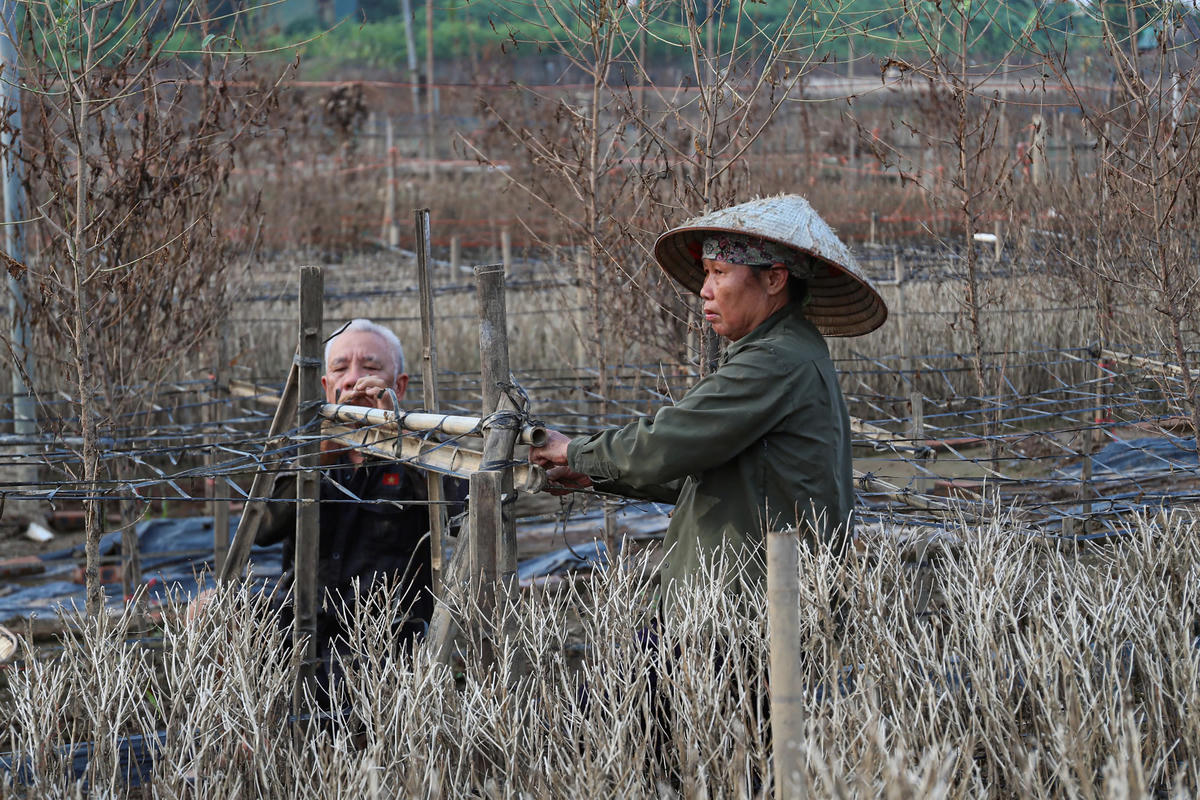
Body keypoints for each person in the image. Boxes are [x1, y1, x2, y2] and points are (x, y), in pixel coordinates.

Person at [529, 194, 887, 605]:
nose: (704, 290)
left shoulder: (775, 362)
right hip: (741, 600)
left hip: (749, 611)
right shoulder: (783, 352)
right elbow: (715, 472)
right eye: (706, 273)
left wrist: (574, 451)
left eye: (720, 272)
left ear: (774, 280)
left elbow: (666, 443)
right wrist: (598, 475)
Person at [255, 318, 453, 678]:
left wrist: (399, 437)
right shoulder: (301, 452)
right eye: (341, 369)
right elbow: (262, 529)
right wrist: (325, 448)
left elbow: (459, 508)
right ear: (327, 386)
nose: (354, 379)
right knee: (209, 609)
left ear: (400, 385)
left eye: (371, 368)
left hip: (392, 641)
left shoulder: (425, 451)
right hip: (302, 633)